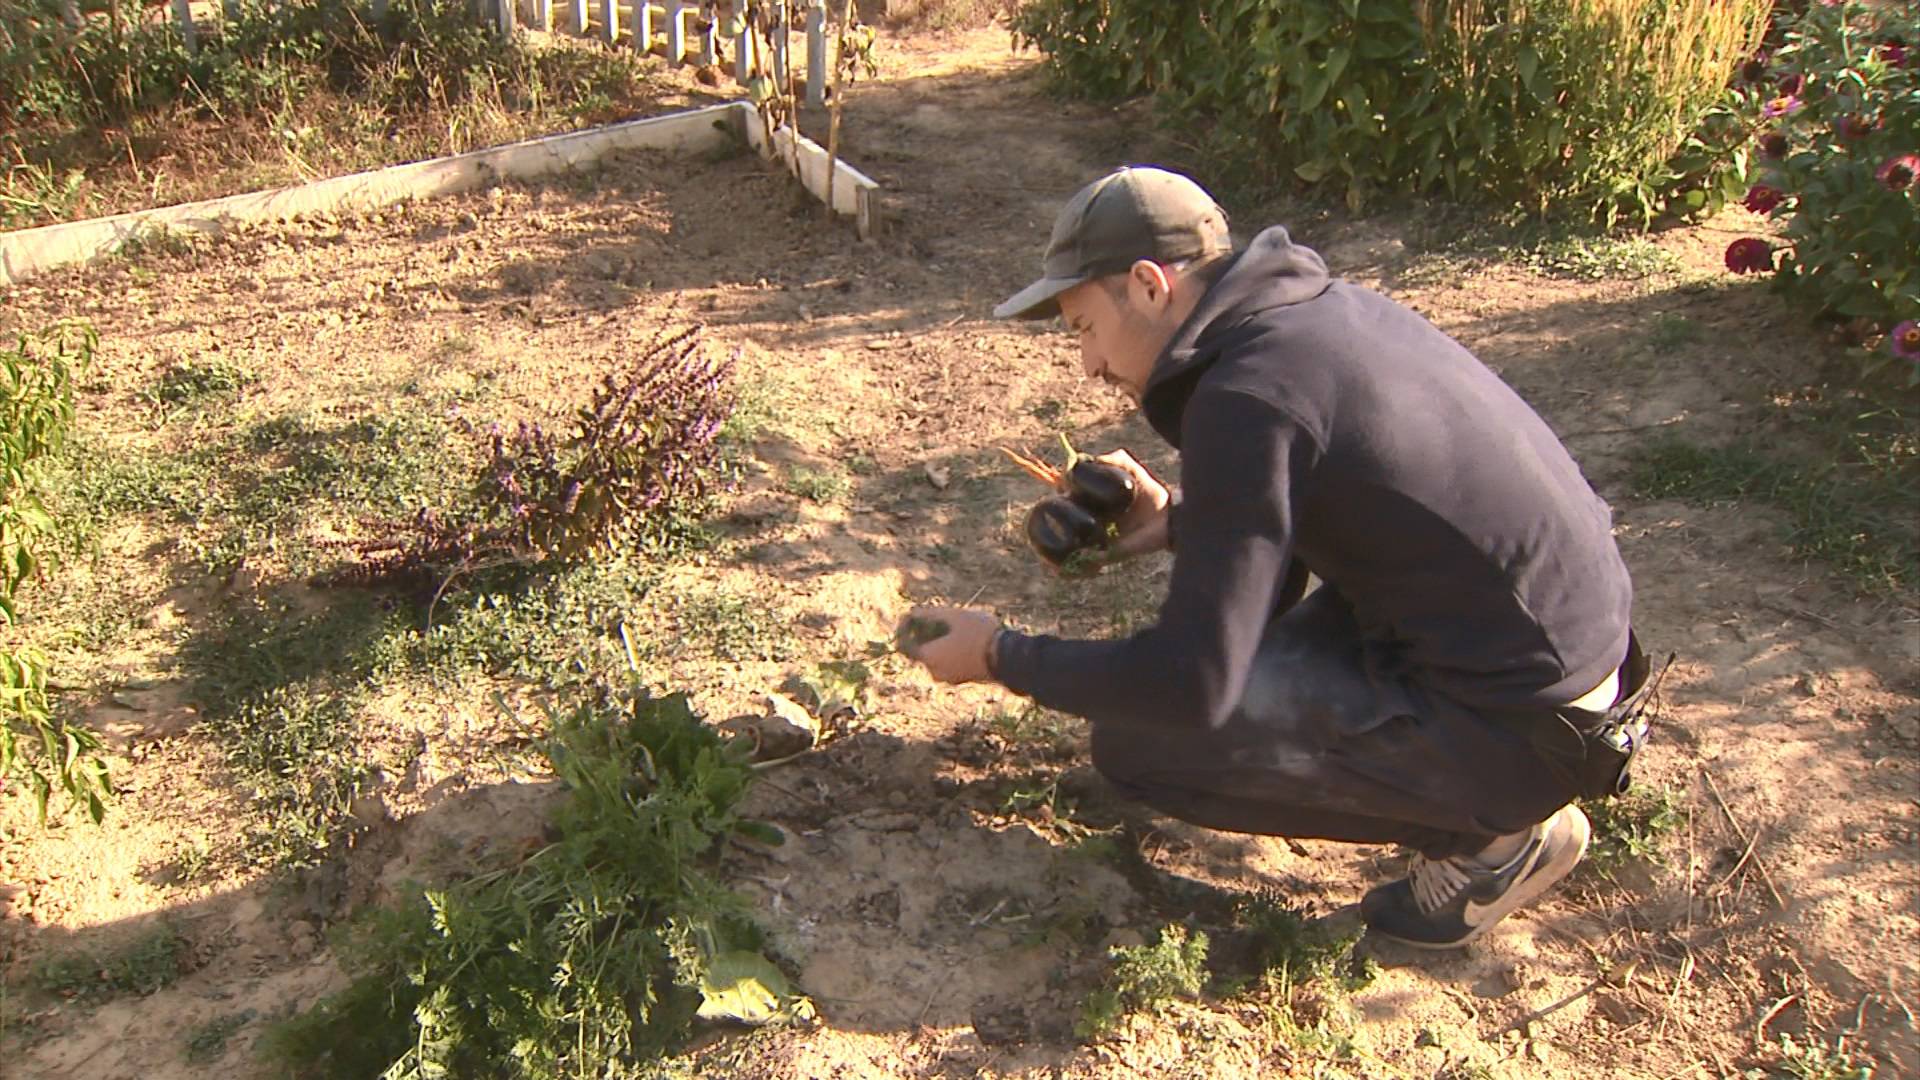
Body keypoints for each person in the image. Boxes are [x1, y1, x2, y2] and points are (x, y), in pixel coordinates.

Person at [900, 165, 1652, 949]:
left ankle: (1495, 841)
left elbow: (1192, 684)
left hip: (1531, 725)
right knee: (1213, 691)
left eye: (1084, 326)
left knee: (1141, 744)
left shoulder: (1245, 400)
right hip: (1558, 654)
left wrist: (997, 654)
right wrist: (1174, 526)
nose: (1087, 364)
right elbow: (1282, 566)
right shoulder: (1312, 318)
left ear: (1150, 286)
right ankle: (1491, 793)